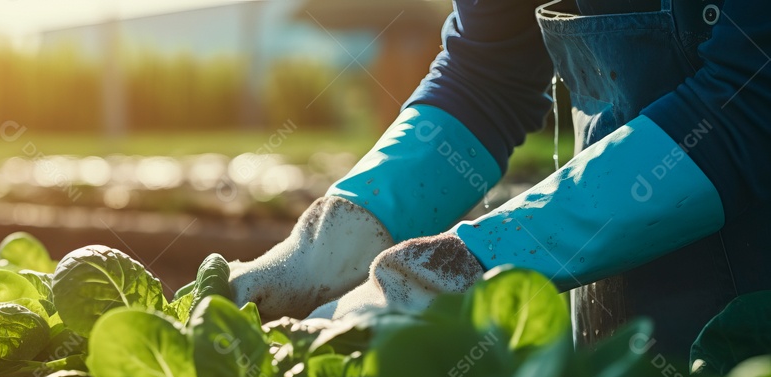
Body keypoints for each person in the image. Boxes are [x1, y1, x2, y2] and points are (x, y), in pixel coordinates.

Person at [230, 0, 770, 357]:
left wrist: (467, 265)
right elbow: (489, 76)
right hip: (620, 308)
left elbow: (749, 103)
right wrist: (335, 236)